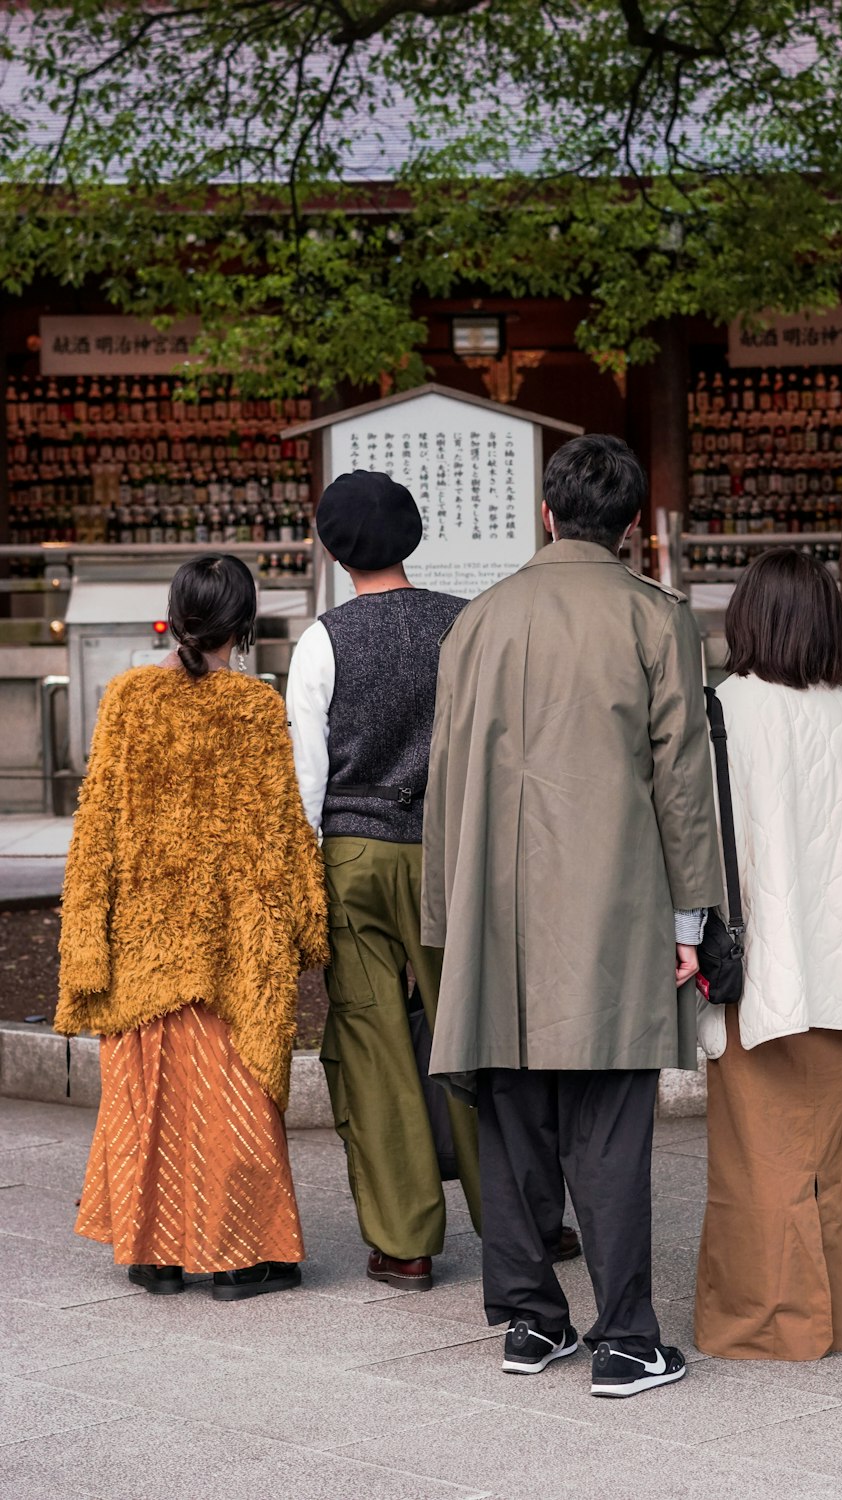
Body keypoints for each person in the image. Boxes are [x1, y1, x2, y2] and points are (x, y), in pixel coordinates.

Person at [422, 434, 723, 1398]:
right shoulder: (654, 618)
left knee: (510, 1118)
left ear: (546, 515)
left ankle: (529, 1320)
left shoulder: (478, 621)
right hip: (611, 906)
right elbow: (683, 781)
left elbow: (444, 781)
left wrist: (445, 923)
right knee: (608, 1123)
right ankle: (625, 1339)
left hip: (495, 912)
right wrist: (693, 923)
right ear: (633, 526)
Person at [55, 554, 328, 1300]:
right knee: (232, 1101)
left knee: (149, 1104)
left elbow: (97, 825)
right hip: (229, 946)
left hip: (142, 945)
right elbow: (282, 831)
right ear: (242, 624)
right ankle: (240, 1259)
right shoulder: (255, 708)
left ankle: (155, 1255)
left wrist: (86, 941)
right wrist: (308, 925)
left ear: (176, 618)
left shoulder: (127, 698)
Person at [288, 471, 529, 1291]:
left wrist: (303, 883)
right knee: (473, 1031)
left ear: (331, 547)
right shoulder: (463, 624)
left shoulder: (322, 641)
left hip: (352, 852)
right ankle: (517, 1220)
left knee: (373, 1040)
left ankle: (405, 1239)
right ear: (414, 537)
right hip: (450, 849)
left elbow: (305, 783)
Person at [694, 548, 842, 1361]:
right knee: (841, 1158)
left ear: (746, 617)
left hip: (760, 977)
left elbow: (700, 843)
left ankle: (771, 1324)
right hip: (841, 962)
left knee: (760, 1159)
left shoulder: (725, 710)